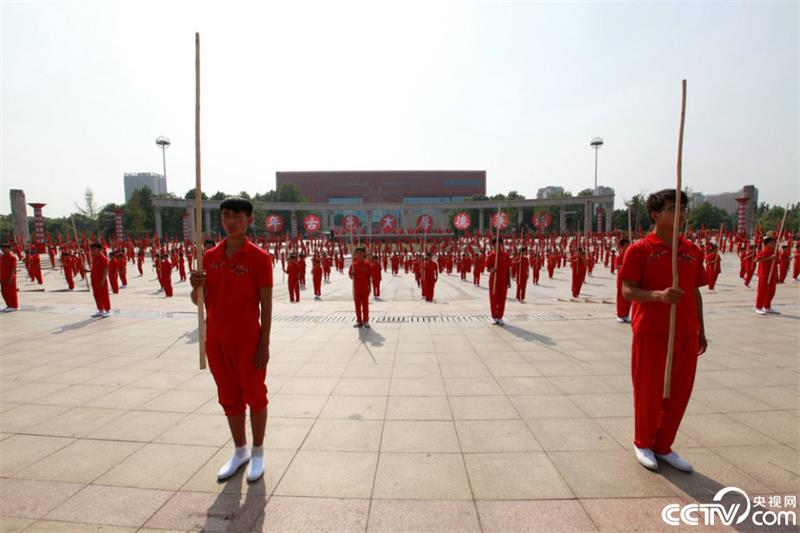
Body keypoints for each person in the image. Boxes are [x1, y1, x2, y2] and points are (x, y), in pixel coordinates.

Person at [620, 189, 707, 472]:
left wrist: (700, 329)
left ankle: (663, 445)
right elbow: (627, 290)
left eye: (683, 208)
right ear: (655, 215)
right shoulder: (640, 250)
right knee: (649, 391)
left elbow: (694, 292)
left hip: (686, 331)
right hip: (651, 331)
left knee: (679, 393)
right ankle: (643, 442)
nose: (681, 213)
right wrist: (658, 296)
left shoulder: (691, 251)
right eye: (674, 208)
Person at [190, 197, 272, 483]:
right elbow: (198, 301)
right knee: (229, 398)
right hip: (216, 340)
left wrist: (264, 344)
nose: (231, 221)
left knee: (255, 396)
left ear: (249, 219)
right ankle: (240, 450)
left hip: (248, 340)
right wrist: (196, 286)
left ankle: (258, 452)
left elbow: (266, 305)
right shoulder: (209, 257)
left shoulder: (259, 258)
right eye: (226, 215)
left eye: (237, 215)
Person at [486, 238, 510, 325]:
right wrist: (492, 270)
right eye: (496, 244)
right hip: (494, 281)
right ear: (493, 245)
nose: (498, 246)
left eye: (500, 244)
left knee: (502, 300)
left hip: (503, 281)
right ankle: (494, 316)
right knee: (493, 299)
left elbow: (508, 269)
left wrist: (509, 281)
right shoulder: (491, 256)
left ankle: (500, 317)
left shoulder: (506, 255)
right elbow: (488, 269)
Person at [754, 235, 779, 315]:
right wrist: (769, 258)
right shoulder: (764, 251)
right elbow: (756, 259)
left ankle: (767, 307)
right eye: (772, 243)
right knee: (762, 291)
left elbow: (778, 262)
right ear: (766, 244)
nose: (774, 244)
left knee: (771, 291)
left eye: (774, 243)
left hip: (772, 274)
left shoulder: (774, 252)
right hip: (764, 274)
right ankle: (758, 307)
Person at [349, 246, 371, 328]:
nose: (359, 255)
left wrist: (370, 287)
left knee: (365, 305)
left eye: (360, 253)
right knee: (357, 306)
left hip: (365, 288)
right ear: (355, 254)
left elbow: (369, 277)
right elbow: (351, 276)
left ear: (364, 254)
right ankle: (359, 321)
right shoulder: (353, 265)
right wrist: (351, 274)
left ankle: (366, 321)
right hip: (356, 288)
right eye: (357, 253)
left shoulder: (367, 264)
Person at [89, 243, 111, 318]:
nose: (92, 251)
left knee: (104, 295)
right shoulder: (95, 258)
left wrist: (103, 280)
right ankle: (100, 309)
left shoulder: (104, 258)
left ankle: (107, 310)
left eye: (94, 249)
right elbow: (95, 268)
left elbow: (105, 270)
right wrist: (88, 271)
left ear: (99, 249)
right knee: (96, 295)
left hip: (101, 280)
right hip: (94, 280)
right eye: (91, 249)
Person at [615, 238, 631, 323]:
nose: (628, 247)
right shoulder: (619, 256)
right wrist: (625, 267)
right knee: (621, 299)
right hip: (621, 280)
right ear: (621, 247)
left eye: (628, 245)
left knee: (628, 298)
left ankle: (626, 315)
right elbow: (616, 266)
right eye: (626, 246)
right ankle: (620, 315)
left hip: (630, 280)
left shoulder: (631, 256)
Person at [1, 243, 18, 312]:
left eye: (5, 248)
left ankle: (14, 306)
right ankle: (8, 305)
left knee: (11, 292)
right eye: (2, 248)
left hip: (10, 277)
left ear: (9, 249)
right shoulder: (1, 257)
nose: (3, 249)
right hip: (3, 277)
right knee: (4, 292)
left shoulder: (12, 257)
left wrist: (11, 278)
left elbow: (14, 268)